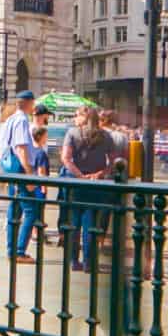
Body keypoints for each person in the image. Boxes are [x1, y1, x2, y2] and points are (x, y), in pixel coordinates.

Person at [59, 108, 116, 271]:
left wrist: (79, 175)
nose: (76, 117)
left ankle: (72, 260)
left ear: (84, 118)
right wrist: (99, 174)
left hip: (75, 183)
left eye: (77, 115)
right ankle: (89, 262)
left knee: (74, 222)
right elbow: (112, 162)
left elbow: (66, 158)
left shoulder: (73, 133)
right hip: (95, 184)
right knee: (90, 223)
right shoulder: (106, 136)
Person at [0, 91, 40, 263]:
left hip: (11, 170)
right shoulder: (21, 120)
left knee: (14, 210)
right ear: (28, 103)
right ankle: (19, 251)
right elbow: (21, 149)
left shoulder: (12, 118)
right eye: (33, 102)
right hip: (20, 170)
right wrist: (29, 175)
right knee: (30, 211)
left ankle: (11, 249)